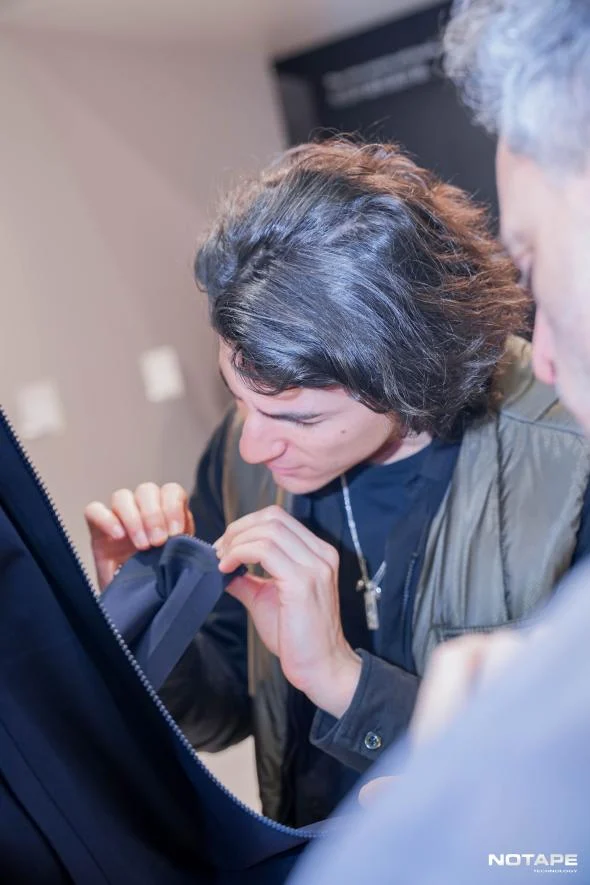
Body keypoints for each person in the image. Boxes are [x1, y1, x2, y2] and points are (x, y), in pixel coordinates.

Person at [85, 138, 590, 828]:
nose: (253, 445)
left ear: (410, 380)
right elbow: (225, 709)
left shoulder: (567, 463)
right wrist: (144, 614)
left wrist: (342, 681)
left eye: (300, 418)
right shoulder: (240, 453)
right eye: (237, 398)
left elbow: (563, 788)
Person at [285, 0, 590, 881]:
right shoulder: (243, 460)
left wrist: (476, 808)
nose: (547, 358)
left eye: (536, 264)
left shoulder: (558, 460)